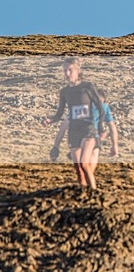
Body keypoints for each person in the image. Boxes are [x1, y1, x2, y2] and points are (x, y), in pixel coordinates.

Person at [42, 58, 105, 194]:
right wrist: (50, 120)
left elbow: (101, 108)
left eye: (70, 70)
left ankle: (95, 194)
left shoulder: (87, 87)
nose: (67, 73)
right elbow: (59, 114)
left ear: (77, 71)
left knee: (84, 164)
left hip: (88, 129)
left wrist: (100, 128)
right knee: (78, 170)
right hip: (74, 130)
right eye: (65, 70)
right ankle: (84, 196)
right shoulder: (64, 92)